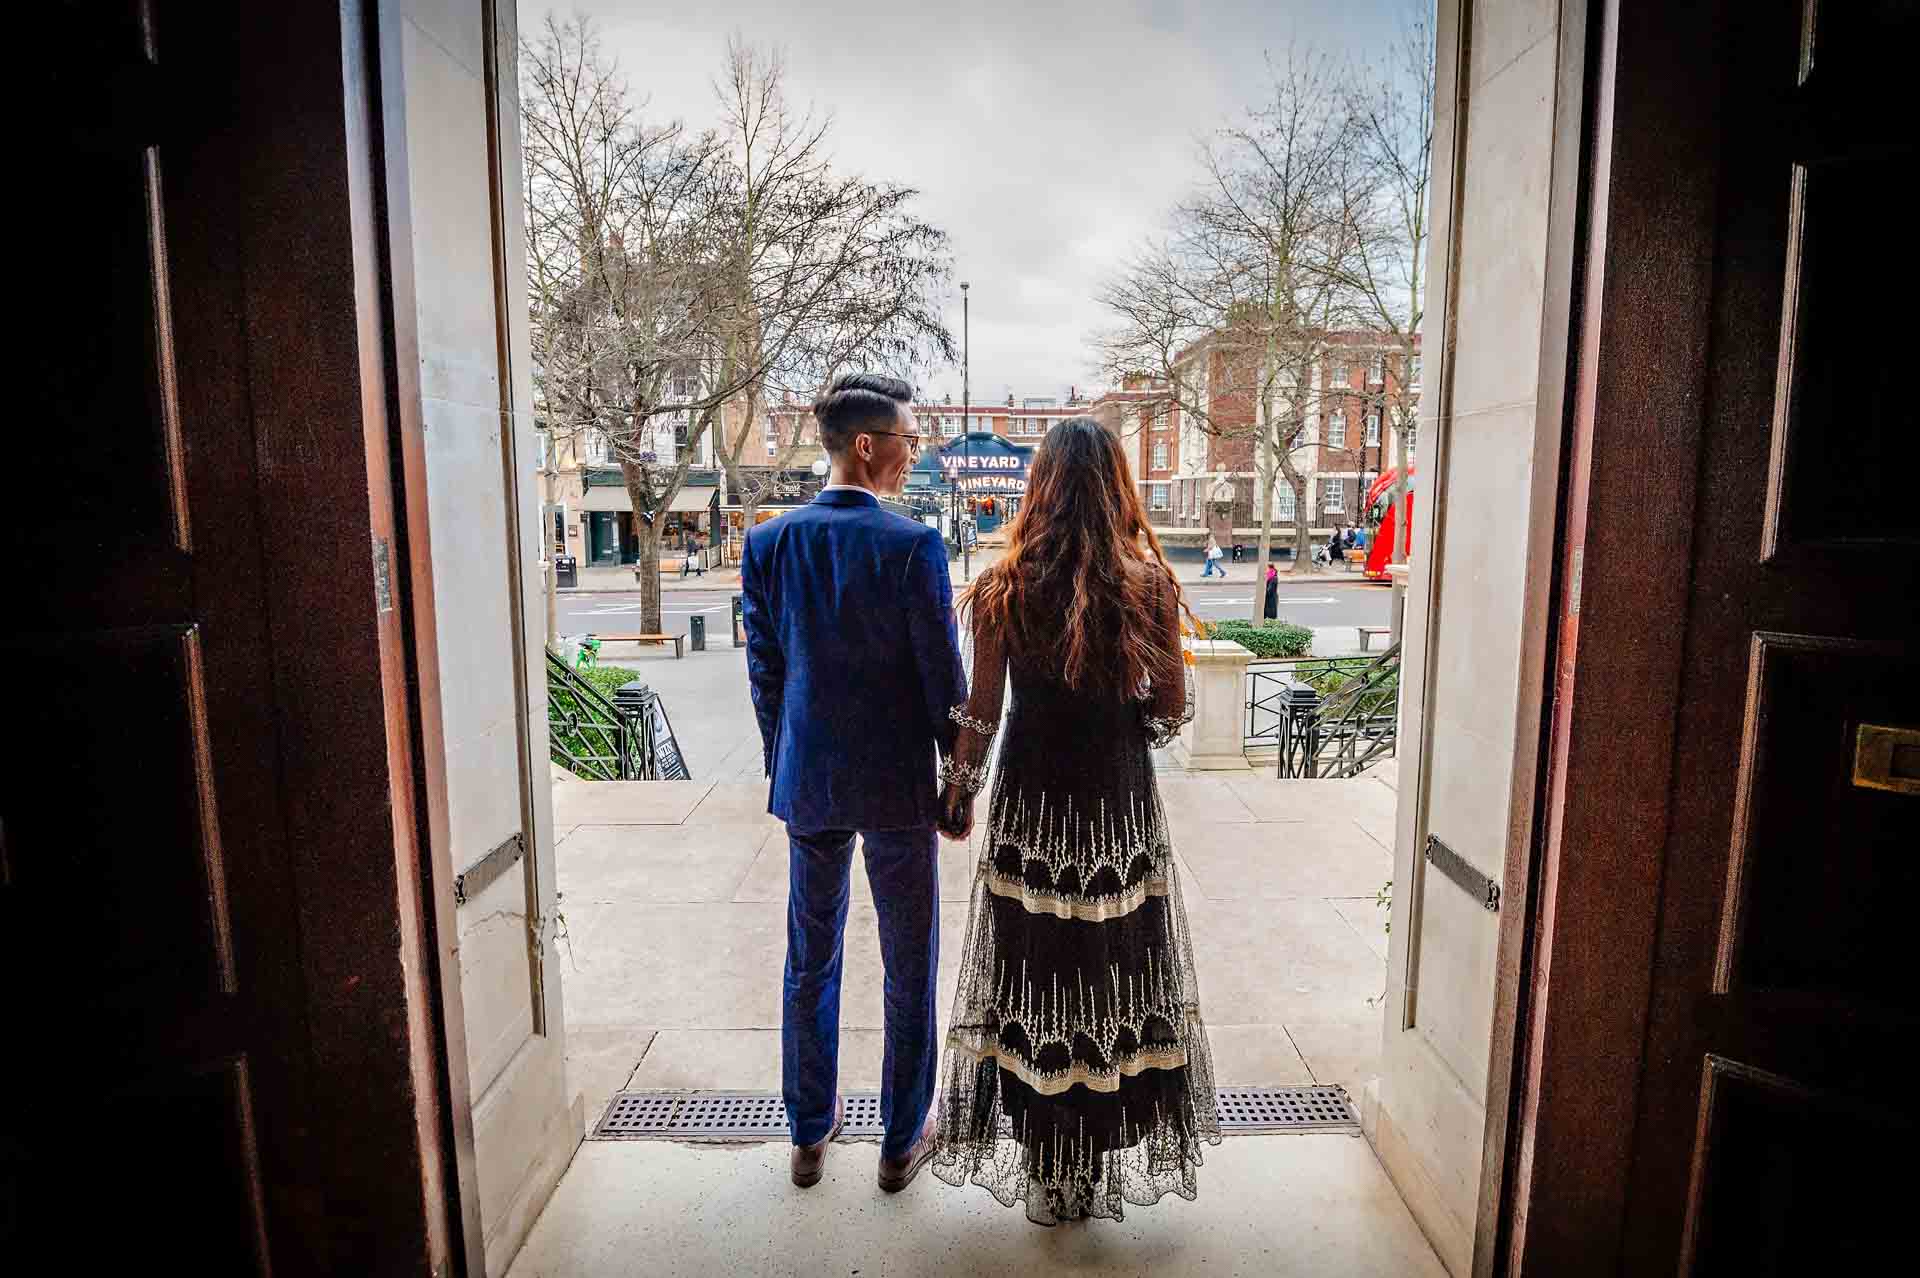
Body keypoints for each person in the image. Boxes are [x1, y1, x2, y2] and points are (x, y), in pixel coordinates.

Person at [933, 417, 1220, 1225]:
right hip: (1114, 800)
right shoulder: (1149, 583)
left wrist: (959, 792)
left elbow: (982, 712)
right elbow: (1171, 707)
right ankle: (1093, 1152)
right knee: (1111, 965)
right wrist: (1125, 708)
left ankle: (1046, 1159)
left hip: (1032, 801)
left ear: (1041, 488)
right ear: (1116, 486)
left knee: (1034, 965)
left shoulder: (1004, 585)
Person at [739, 373, 966, 1194]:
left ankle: (808, 1130)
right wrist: (959, 775)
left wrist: (786, 761)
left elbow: (766, 673)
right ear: (867, 446)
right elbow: (944, 682)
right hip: (899, 785)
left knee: (811, 954)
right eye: (907, 438)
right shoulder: (912, 547)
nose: (914, 453)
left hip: (812, 783)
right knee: (910, 963)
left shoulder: (767, 544)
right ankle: (902, 1139)